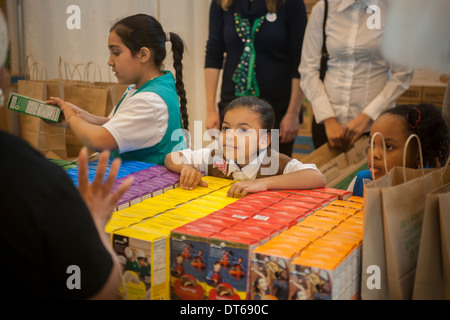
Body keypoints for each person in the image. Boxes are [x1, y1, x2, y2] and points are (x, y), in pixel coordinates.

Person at [47, 14, 188, 165]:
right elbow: (117, 125)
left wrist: (71, 118)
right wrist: (81, 115)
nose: (109, 62)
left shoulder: (150, 101)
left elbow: (98, 140)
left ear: (143, 54)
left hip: (146, 184)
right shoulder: (151, 85)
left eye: (116, 52)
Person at [299, 0, 414, 151]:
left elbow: (403, 74)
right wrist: (329, 120)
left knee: (371, 174)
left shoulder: (393, 10)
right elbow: (308, 69)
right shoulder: (324, 8)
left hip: (375, 126)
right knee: (325, 175)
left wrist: (367, 116)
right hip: (327, 126)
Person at [164, 96, 326, 198]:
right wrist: (186, 168)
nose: (230, 135)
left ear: (264, 140)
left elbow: (317, 177)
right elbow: (172, 157)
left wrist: (265, 183)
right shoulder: (216, 157)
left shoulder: (275, 163)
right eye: (226, 128)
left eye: (242, 130)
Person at [204, 0, 308, 157]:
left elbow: (300, 60)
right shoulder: (221, 3)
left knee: (271, 173)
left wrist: (293, 113)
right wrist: (211, 110)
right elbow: (213, 53)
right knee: (232, 168)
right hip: (233, 107)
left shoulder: (291, 3)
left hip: (277, 111)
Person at [348, 104, 449, 197]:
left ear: (417, 153)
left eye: (388, 147)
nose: (374, 154)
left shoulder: (433, 189)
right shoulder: (360, 183)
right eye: (372, 144)